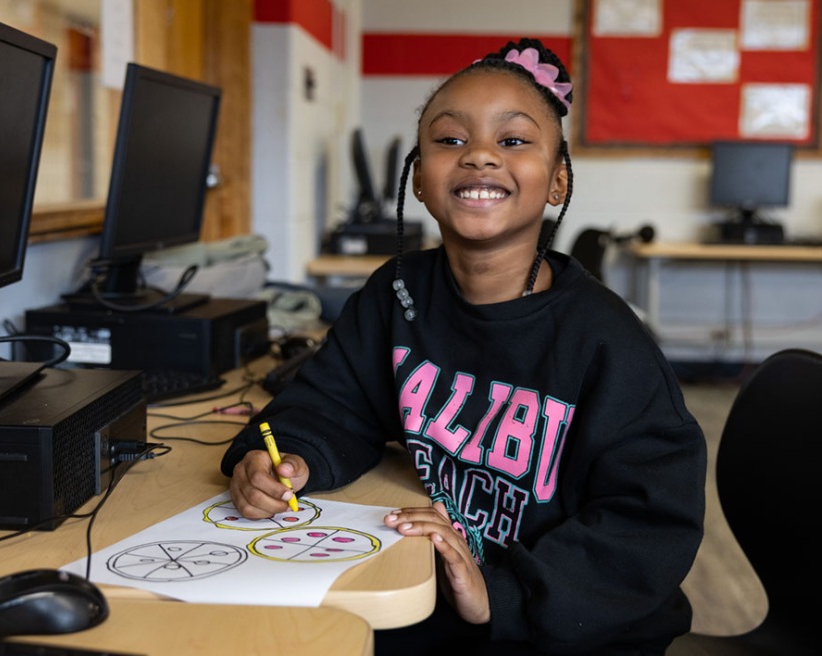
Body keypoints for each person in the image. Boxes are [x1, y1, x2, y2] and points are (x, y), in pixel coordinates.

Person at [222, 38, 706, 655]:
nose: (479, 156)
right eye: (450, 140)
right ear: (420, 180)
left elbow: (648, 523)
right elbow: (330, 405)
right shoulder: (396, 293)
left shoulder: (607, 340)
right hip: (443, 592)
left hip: (569, 626)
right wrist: (286, 458)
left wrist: (499, 594)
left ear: (557, 181)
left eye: (513, 140)